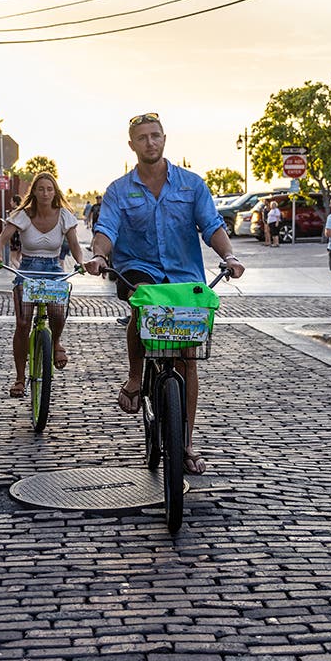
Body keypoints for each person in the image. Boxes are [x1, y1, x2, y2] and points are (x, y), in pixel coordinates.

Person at [84, 113, 245, 475]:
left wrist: (229, 256)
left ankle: (186, 442)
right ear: (132, 145)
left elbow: (212, 225)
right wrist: (98, 255)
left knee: (188, 357)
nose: (150, 143)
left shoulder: (191, 185)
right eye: (142, 138)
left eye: (155, 136)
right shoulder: (119, 190)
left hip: (183, 277)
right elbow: (106, 228)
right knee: (143, 301)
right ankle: (136, 377)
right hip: (138, 270)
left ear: (165, 139)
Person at [0, 172, 88, 397]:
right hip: (28, 269)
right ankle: (20, 377)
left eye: (49, 189)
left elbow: (75, 245)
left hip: (54, 268)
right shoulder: (23, 215)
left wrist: (81, 262)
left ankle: (56, 344)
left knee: (57, 312)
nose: (45, 193)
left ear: (55, 192)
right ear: (33, 191)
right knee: (23, 323)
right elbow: (1, 239)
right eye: (41, 189)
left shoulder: (64, 216)